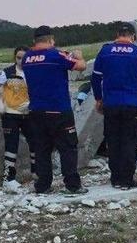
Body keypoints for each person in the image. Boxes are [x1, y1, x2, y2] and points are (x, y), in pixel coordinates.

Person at [21, 25, 88, 195]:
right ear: (51, 39)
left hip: (36, 111)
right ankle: (72, 185)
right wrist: (78, 55)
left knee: (42, 149)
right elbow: (81, 66)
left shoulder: (27, 58)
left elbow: (43, 59)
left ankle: (43, 185)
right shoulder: (56, 55)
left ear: (33, 41)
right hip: (59, 110)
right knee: (68, 148)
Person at [91, 22, 137, 190]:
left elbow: (95, 78)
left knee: (113, 140)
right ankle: (127, 179)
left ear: (116, 35)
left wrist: (98, 98)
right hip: (131, 103)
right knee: (129, 141)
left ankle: (115, 178)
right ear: (132, 37)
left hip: (110, 103)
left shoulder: (105, 51)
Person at [0, 46, 36, 191]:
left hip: (29, 113)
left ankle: (37, 174)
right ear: (14, 58)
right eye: (18, 58)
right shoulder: (7, 72)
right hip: (10, 115)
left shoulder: (34, 71)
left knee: (35, 143)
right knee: (11, 146)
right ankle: (8, 179)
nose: (21, 61)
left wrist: (32, 103)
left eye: (25, 58)